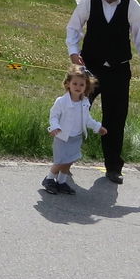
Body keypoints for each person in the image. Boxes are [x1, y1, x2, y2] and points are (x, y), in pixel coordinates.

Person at [65, 0, 140, 184]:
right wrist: (73, 52)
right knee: (75, 113)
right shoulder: (88, 1)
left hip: (119, 71)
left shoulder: (132, 6)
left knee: (115, 119)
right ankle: (64, 163)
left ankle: (113, 167)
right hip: (90, 70)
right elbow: (73, 28)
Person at [43, 65, 106, 195]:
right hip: (62, 136)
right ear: (68, 84)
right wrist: (54, 127)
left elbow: (87, 119)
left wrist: (97, 127)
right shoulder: (61, 101)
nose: (78, 87)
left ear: (86, 87)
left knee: (69, 161)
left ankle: (61, 182)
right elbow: (54, 116)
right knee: (60, 161)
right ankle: (49, 179)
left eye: (81, 85)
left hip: (76, 137)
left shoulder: (85, 102)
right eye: (75, 83)